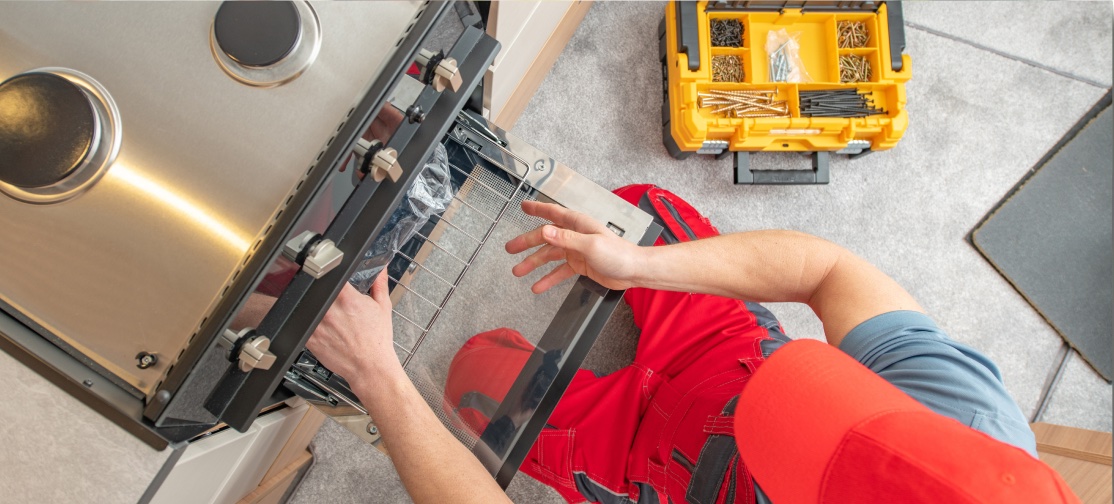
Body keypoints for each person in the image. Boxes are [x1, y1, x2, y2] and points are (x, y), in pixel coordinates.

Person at [308, 184, 1078, 503]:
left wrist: (379, 377)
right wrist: (639, 264)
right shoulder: (975, 432)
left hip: (652, 456)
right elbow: (828, 270)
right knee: (622, 212)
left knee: (470, 370)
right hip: (732, 359)